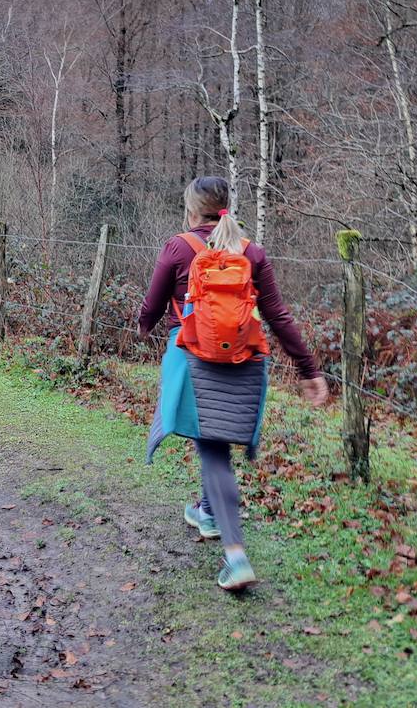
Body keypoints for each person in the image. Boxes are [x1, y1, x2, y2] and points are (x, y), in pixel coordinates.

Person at [137, 176, 329, 592]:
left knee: (213, 452)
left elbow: (151, 308)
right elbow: (278, 317)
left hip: (194, 359)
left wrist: (142, 326)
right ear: (228, 208)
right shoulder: (252, 252)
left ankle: (236, 556)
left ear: (191, 210)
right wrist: (308, 369)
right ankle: (207, 512)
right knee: (214, 442)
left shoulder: (178, 247)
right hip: (244, 364)